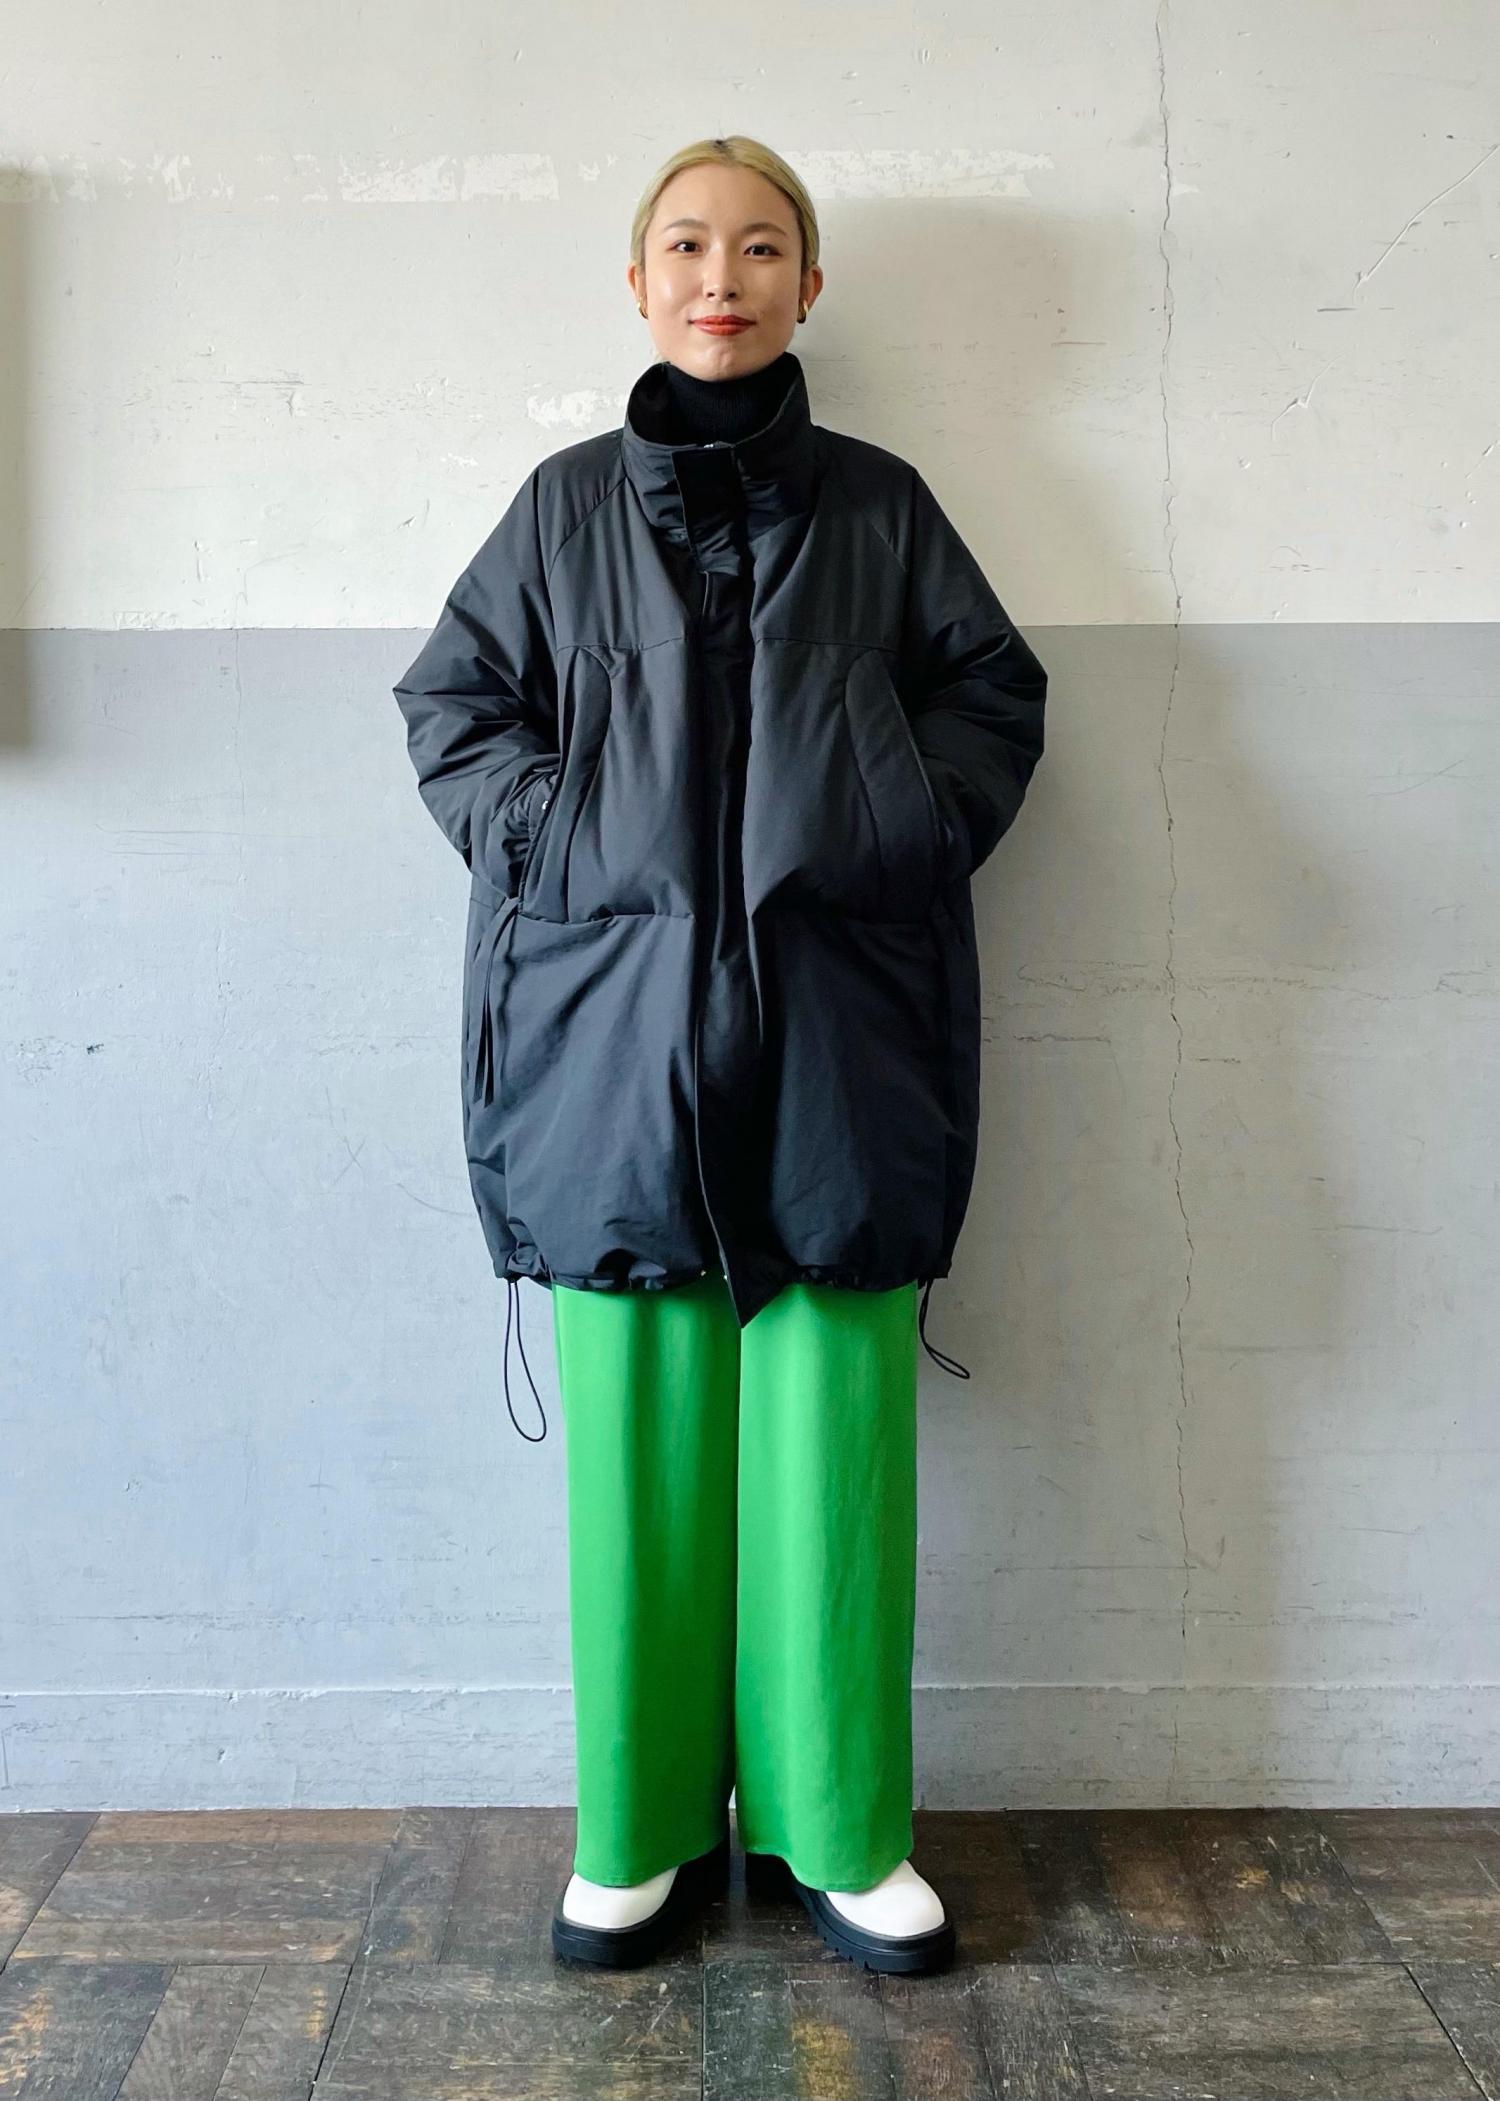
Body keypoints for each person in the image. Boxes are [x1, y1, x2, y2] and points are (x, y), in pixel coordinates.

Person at [392, 135, 1047, 1977]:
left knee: (834, 1441)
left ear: (808, 284)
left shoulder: (884, 508)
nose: (722, 276)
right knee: (640, 1448)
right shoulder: (559, 510)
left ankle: (843, 1830)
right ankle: (640, 1829)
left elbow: (993, 694)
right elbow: (454, 706)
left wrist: (893, 818)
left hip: (838, 1035)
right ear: (639, 281)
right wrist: (564, 835)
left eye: (762, 247)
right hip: (613, 1041)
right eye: (687, 244)